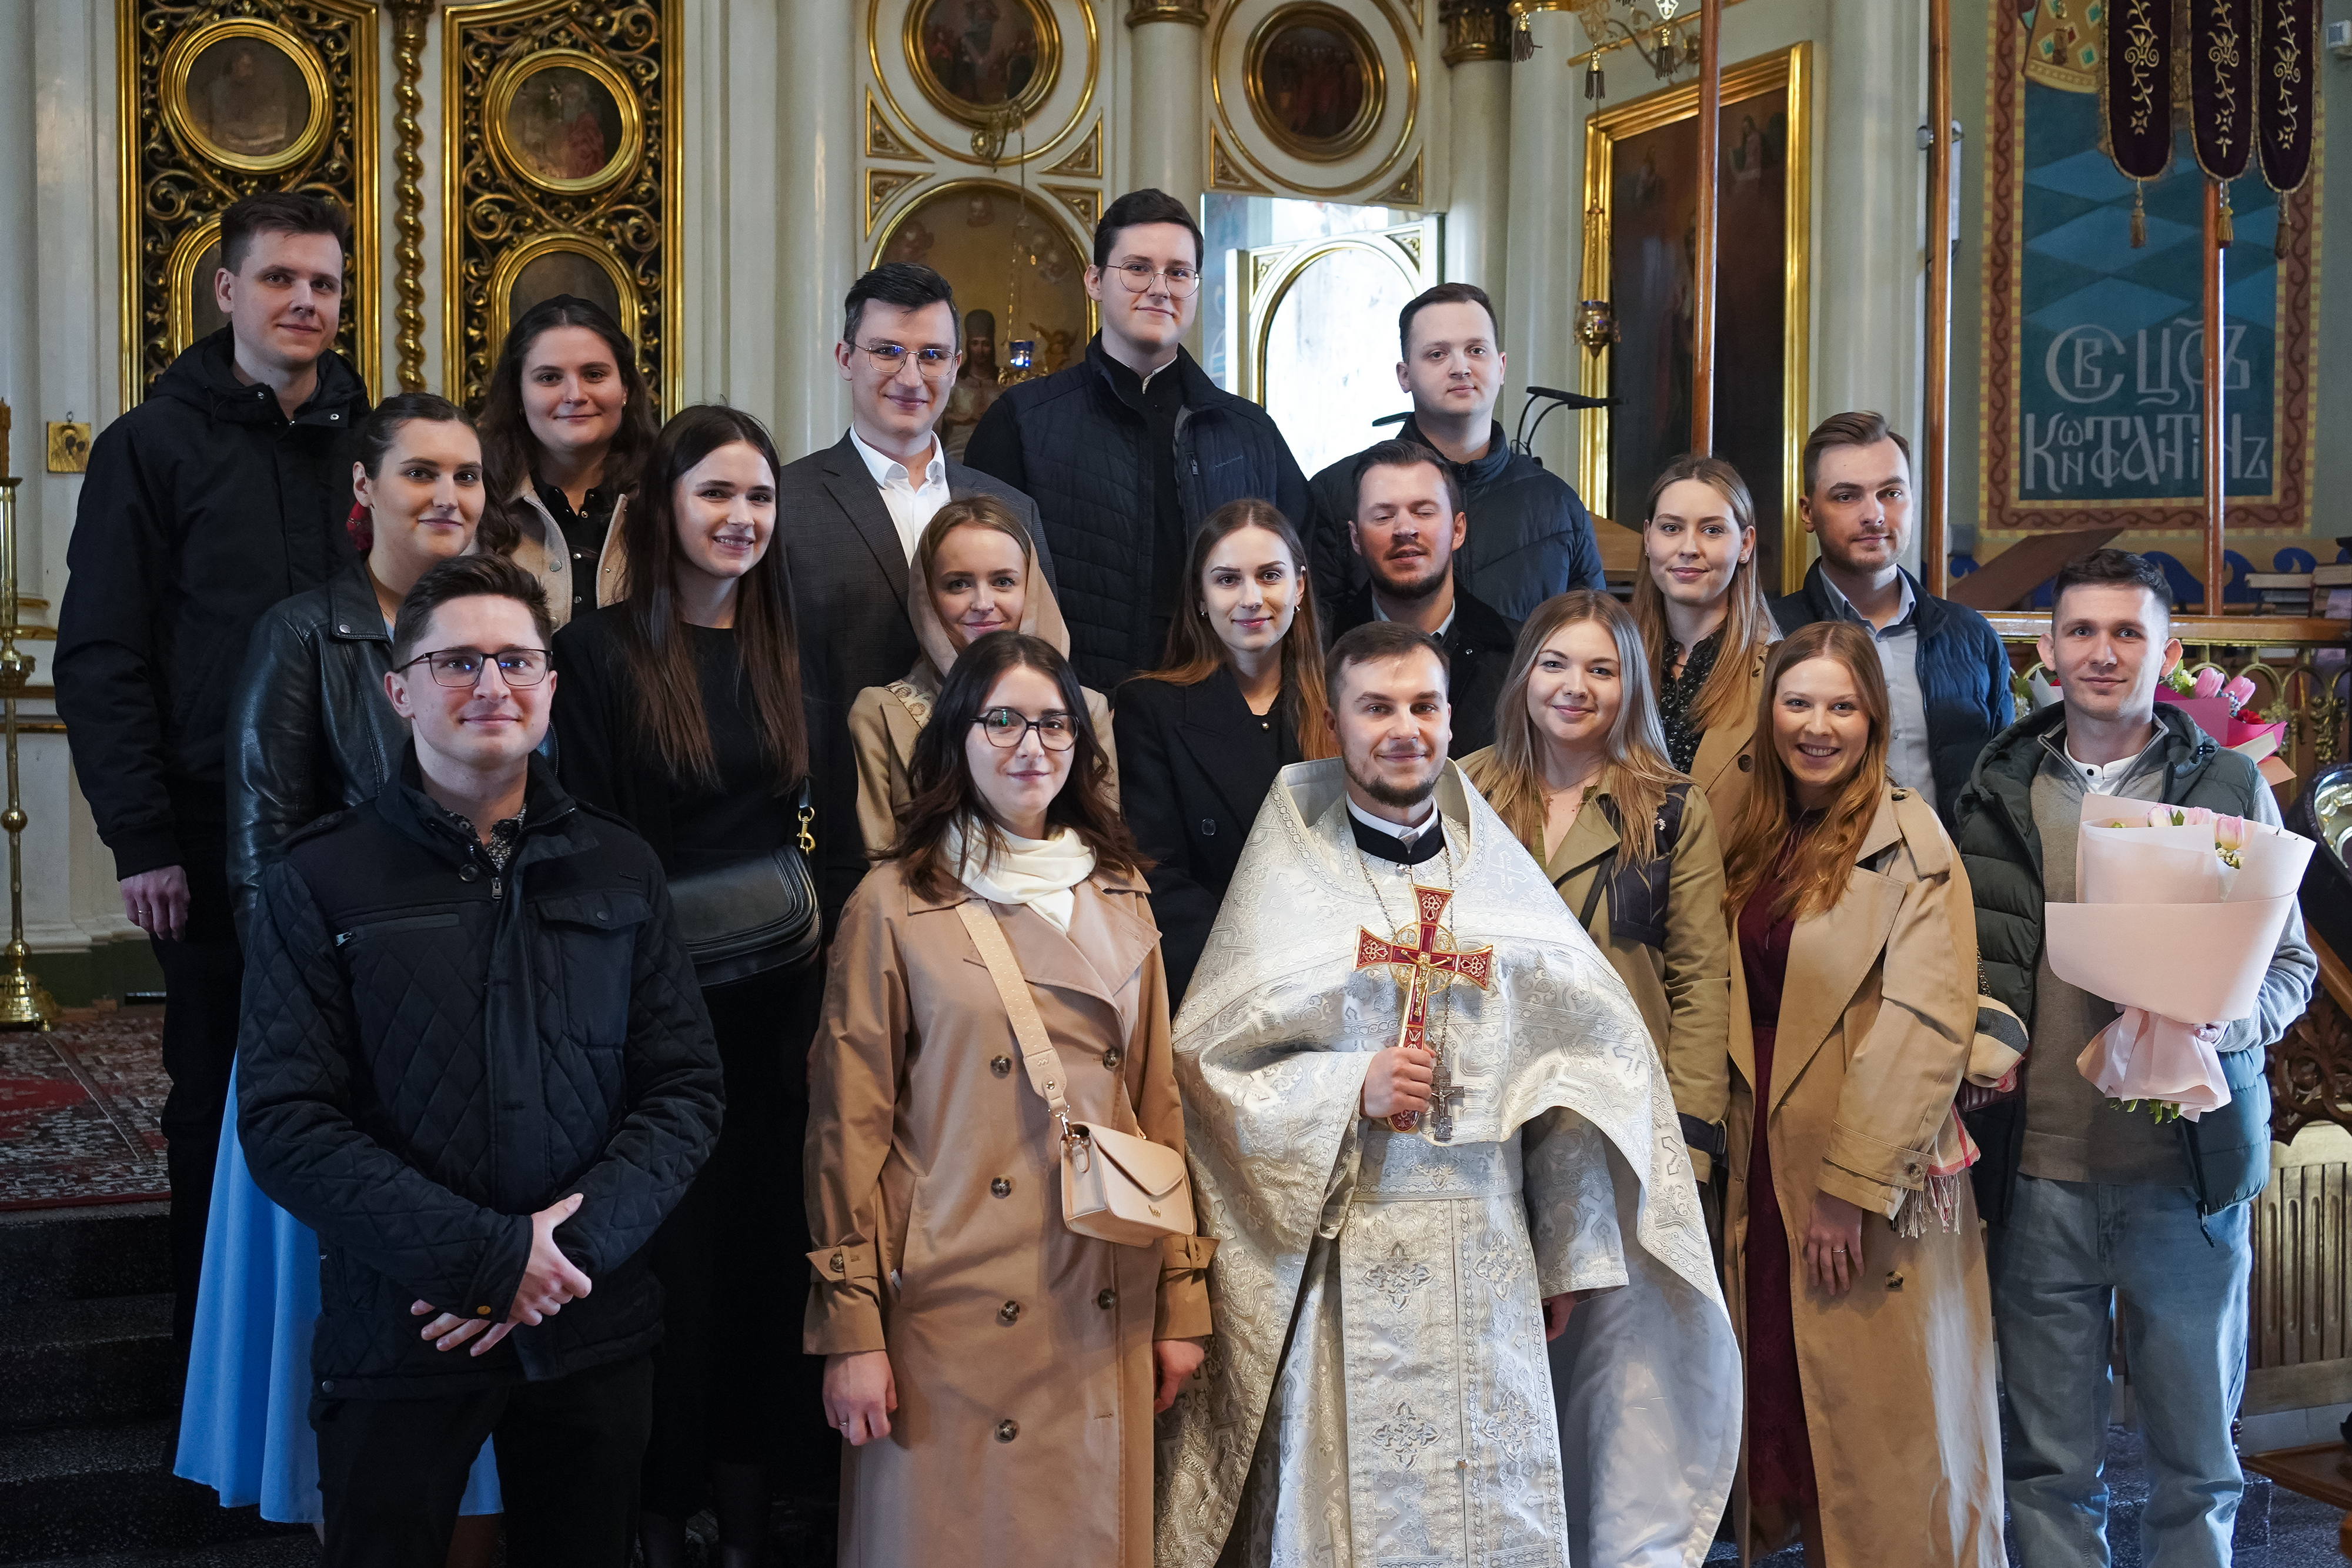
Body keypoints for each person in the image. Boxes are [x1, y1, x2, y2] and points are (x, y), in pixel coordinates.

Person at [1157, 621, 1739, 1568]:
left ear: (1449, 717)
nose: (1405, 728)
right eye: (1377, 707)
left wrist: (1564, 1248)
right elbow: (1209, 1075)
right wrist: (1348, 1083)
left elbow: (1565, 1072)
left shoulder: (1499, 881)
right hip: (1349, 1258)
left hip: (1491, 1253)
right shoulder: (1293, 880)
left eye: (1423, 705)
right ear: (1335, 721)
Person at [236, 554, 722, 1568]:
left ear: (551, 684)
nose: (491, 684)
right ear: (399, 690)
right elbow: (288, 1120)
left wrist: (556, 1257)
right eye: (457, 661)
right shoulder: (319, 877)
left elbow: (684, 1090)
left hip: (587, 1316)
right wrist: (485, 1259)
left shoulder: (622, 865)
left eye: (516, 660)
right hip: (405, 1319)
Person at [804, 629, 1214, 1567]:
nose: (1032, 745)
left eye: (1054, 723)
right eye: (1003, 720)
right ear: (957, 734)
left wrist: (1182, 1298)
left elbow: (1157, 1104)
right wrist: (850, 1328)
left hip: (1098, 1286)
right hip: (945, 1299)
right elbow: (845, 1129)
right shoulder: (894, 900)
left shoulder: (1119, 888)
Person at [181, 394, 502, 1550]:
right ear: (364, 489)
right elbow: (263, 857)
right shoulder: (302, 633)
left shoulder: (506, 628)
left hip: (478, 1036)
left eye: (466, 474)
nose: (448, 496)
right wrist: (335, 1014)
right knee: (350, 1356)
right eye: (421, 472)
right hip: (335, 1037)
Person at [1953, 549, 2316, 1567]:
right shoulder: (1998, 785)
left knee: (2197, 1465)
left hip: (2186, 1181)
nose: (2103, 653)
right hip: (2039, 1177)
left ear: (2168, 650)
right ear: (2048, 650)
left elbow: (2290, 963)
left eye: (2127, 632)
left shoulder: (2228, 782)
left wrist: (2224, 1021)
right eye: (2082, 631)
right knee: (2047, 1467)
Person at [56, 190, 371, 1357]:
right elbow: (103, 654)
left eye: (324, 283)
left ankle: (345, 1353)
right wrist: (142, 838)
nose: (304, 301)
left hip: (364, 816)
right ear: (227, 289)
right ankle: (215, 1366)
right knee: (218, 1089)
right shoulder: (150, 446)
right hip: (205, 823)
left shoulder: (375, 446)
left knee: (368, 1087)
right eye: (280, 277)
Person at [547, 405, 828, 1568]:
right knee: (674, 1272)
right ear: (664, 506)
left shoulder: (787, 644)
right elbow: (589, 846)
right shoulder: (596, 652)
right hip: (655, 1014)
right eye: (716, 492)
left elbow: (809, 830)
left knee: (763, 1262)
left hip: (777, 1007)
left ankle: (752, 1522)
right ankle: (659, 1522)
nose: (741, 516)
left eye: (759, 496)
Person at [1718, 620, 2002, 1566]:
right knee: (1783, 1401)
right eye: (1798, 701)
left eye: (1842, 705)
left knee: (1882, 1428)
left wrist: (1849, 1185)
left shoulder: (1911, 840)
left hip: (1866, 1163)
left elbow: (1925, 1024)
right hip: (1757, 1151)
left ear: (1874, 717)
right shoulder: (1747, 823)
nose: (1818, 725)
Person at [775, 262, 1047, 916]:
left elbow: (1042, 659)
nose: (910, 375)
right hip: (841, 829)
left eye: (930, 355)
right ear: (846, 358)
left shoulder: (1012, 508)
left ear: (955, 365)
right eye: (887, 351)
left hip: (999, 831)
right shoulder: (786, 501)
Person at [963, 188, 1314, 688]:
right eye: (1137, 268)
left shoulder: (1250, 431)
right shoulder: (1021, 421)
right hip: (1073, 706)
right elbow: (983, 589)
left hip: (1224, 702)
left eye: (1178, 272)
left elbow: (1302, 584)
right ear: (1095, 281)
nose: (1160, 288)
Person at [1460, 590, 1731, 1184]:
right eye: (1554, 664)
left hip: (1623, 1120)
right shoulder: (1463, 793)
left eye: (1601, 670)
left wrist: (1688, 1142)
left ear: (1629, 686)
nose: (1575, 687)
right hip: (1487, 1114)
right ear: (1524, 674)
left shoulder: (1672, 809)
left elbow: (1700, 984)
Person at [1115, 499, 1332, 1005]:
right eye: (1228, 579)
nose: (1251, 598)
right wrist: (1259, 974)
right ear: (1200, 594)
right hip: (1219, 986)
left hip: (1336, 979)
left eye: (1270, 575)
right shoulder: (1149, 708)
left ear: (1300, 587)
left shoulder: (1346, 705)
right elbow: (1154, 872)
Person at [1307, 282, 1604, 622]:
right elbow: (1315, 636)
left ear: (1501, 367)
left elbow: (1592, 631)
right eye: (1437, 354)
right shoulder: (1338, 492)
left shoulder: (1558, 505)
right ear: (1405, 376)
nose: (1461, 368)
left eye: (1476, 350)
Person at [1769, 411, 2012, 823]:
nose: (1875, 515)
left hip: (1954, 863)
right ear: (1808, 512)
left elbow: (2004, 777)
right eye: (1847, 496)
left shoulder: (1971, 635)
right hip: (1815, 860)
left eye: (1891, 493)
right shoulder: (1770, 632)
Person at [847, 494, 1109, 858]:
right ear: (928, 596)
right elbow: (881, 857)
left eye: (1003, 581)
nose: (983, 604)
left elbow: (1105, 844)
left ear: (1031, 588)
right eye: (958, 584)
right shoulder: (881, 713)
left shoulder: (1086, 708)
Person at [1324, 439, 1521, 755]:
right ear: (1356, 538)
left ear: (1458, 530)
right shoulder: (1317, 657)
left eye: (1424, 512)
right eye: (1383, 516)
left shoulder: (1522, 659)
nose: (1405, 529)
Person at [477, 293, 659, 626]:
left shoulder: (667, 496)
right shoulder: (473, 499)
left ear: (625, 389)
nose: (575, 395)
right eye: (549, 378)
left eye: (594, 374)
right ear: (518, 395)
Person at [1633, 453, 1780, 826]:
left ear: (1746, 544)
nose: (1689, 548)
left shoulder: (1779, 671)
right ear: (1648, 538)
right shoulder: (1613, 660)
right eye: (1671, 528)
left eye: (1712, 530)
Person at [939, 306, 1003, 460]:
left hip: (994, 454)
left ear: (992, 346)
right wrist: (961, 418)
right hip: (958, 452)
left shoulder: (1002, 384)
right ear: (968, 345)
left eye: (985, 344)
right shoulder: (955, 381)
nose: (980, 350)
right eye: (975, 343)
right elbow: (938, 417)